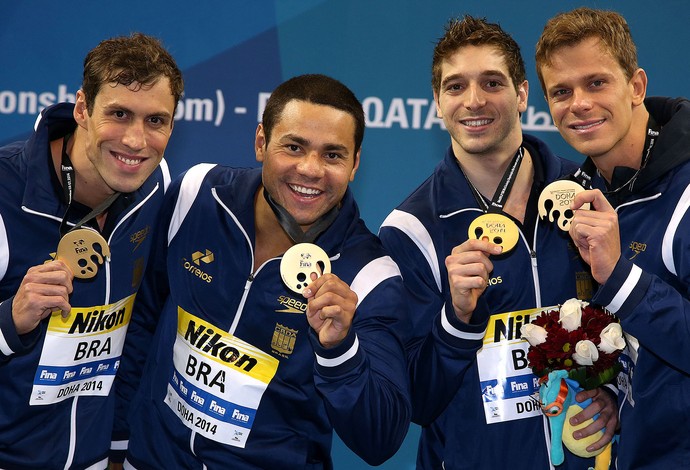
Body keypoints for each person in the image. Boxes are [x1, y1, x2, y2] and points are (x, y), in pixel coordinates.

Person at [112, 73, 411, 469]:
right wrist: (117, 447)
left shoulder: (370, 276)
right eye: (294, 146)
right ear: (260, 143)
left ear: (355, 164)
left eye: (333, 155)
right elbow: (142, 323)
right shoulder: (198, 194)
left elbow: (381, 440)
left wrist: (340, 351)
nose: (310, 169)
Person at [379, 15, 617, 469]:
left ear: (523, 94)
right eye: (455, 87)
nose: (473, 100)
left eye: (491, 82)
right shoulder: (410, 231)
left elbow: (639, 334)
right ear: (436, 103)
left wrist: (613, 393)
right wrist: (458, 317)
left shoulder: (590, 195)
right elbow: (417, 403)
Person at [0, 33, 182, 469]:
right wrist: (11, 317)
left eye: (156, 121)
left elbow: (134, 331)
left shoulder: (153, 187)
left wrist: (119, 447)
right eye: (119, 114)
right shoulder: (5, 194)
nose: (137, 141)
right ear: (82, 108)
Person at [536, 7, 690, 468]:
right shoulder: (588, 191)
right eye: (561, 91)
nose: (578, 103)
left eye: (596, 82)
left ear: (636, 86)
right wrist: (614, 394)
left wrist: (620, 277)